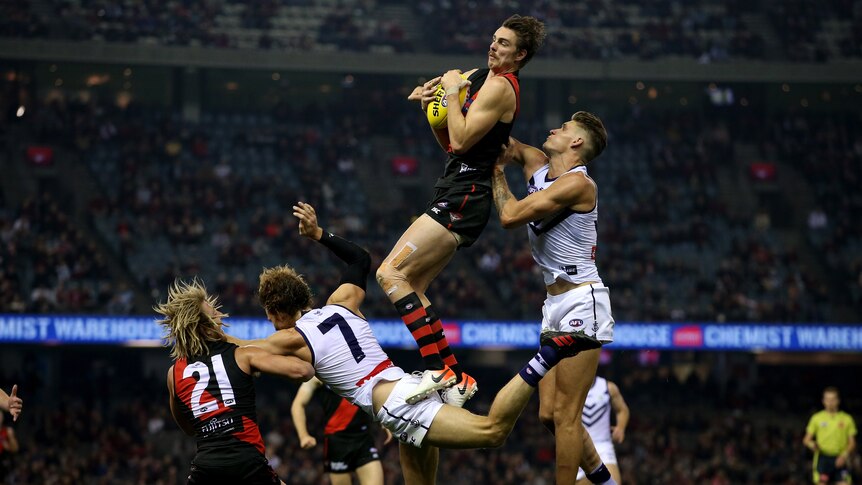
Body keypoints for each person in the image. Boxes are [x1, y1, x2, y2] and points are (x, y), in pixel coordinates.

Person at [232, 201, 584, 485]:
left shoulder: (292, 338)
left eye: (268, 315)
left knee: (492, 431)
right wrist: (319, 234)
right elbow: (360, 259)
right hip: (408, 383)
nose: (268, 322)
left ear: (274, 310)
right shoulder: (341, 301)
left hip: (397, 404)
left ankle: (547, 354)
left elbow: (243, 351)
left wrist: (209, 331)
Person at [377, 14, 547, 406]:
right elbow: (452, 146)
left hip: (468, 194)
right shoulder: (478, 76)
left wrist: (452, 94)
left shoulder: (502, 88)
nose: (493, 46)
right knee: (413, 287)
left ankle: (439, 371)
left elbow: (463, 137)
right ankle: (455, 376)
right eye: (493, 38)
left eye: (504, 44)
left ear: (520, 55)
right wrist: (430, 106)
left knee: (389, 273)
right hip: (456, 184)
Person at [491, 111, 614, 484]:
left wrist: (495, 172)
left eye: (562, 129)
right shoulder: (540, 166)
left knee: (566, 415)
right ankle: (606, 482)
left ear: (576, 143)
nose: (552, 129)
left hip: (583, 301)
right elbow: (507, 145)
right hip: (554, 305)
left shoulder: (579, 185)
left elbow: (510, 216)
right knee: (548, 414)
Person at [156, 279, 315, 485]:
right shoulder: (242, 355)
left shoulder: (173, 374)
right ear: (206, 325)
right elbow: (304, 371)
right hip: (246, 460)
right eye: (214, 312)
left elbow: (188, 428)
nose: (220, 315)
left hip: (206, 467)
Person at [291, 376, 392, 485]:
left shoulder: (359, 367)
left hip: (362, 438)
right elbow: (298, 405)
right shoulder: (318, 374)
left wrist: (385, 418)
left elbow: (375, 391)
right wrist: (303, 435)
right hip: (337, 443)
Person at [576, 377, 630, 485]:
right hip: (578, 449)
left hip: (603, 446)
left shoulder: (608, 387)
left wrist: (621, 428)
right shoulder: (571, 388)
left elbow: (622, 410)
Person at [803, 386, 857, 485]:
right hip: (823, 458)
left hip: (840, 458)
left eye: (833, 399)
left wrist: (844, 456)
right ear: (823, 401)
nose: (830, 402)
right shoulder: (816, 418)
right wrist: (812, 445)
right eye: (827, 399)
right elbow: (806, 439)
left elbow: (852, 442)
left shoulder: (847, 419)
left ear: (838, 400)